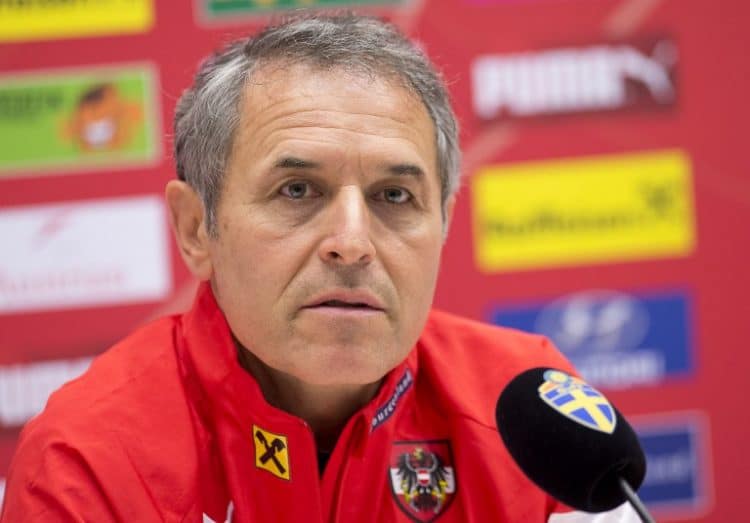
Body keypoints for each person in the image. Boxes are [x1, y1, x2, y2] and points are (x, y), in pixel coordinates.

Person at [0, 15, 640, 522]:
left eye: (395, 196)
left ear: (443, 223)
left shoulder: (530, 415)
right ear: (198, 229)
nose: (352, 243)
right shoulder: (86, 459)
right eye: (298, 191)